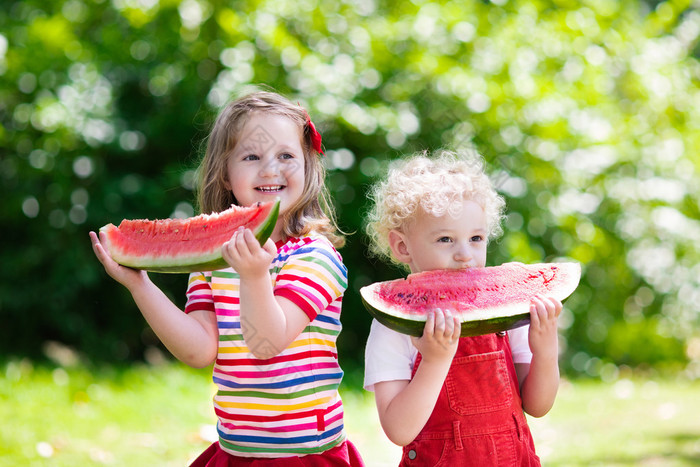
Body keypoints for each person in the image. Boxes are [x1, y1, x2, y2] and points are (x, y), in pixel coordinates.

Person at [90, 91, 365, 466]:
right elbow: (199, 349)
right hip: (235, 452)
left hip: (305, 456)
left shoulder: (313, 256)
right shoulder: (212, 260)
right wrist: (140, 284)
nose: (270, 169)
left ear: (308, 167)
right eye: (252, 156)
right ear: (225, 172)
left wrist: (253, 277)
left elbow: (268, 342)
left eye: (286, 156)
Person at [363, 150, 562, 466]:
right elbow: (399, 430)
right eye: (445, 239)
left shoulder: (506, 316)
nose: (465, 254)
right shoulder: (394, 324)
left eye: (476, 238)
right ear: (402, 246)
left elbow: (538, 405)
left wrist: (546, 352)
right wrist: (434, 361)